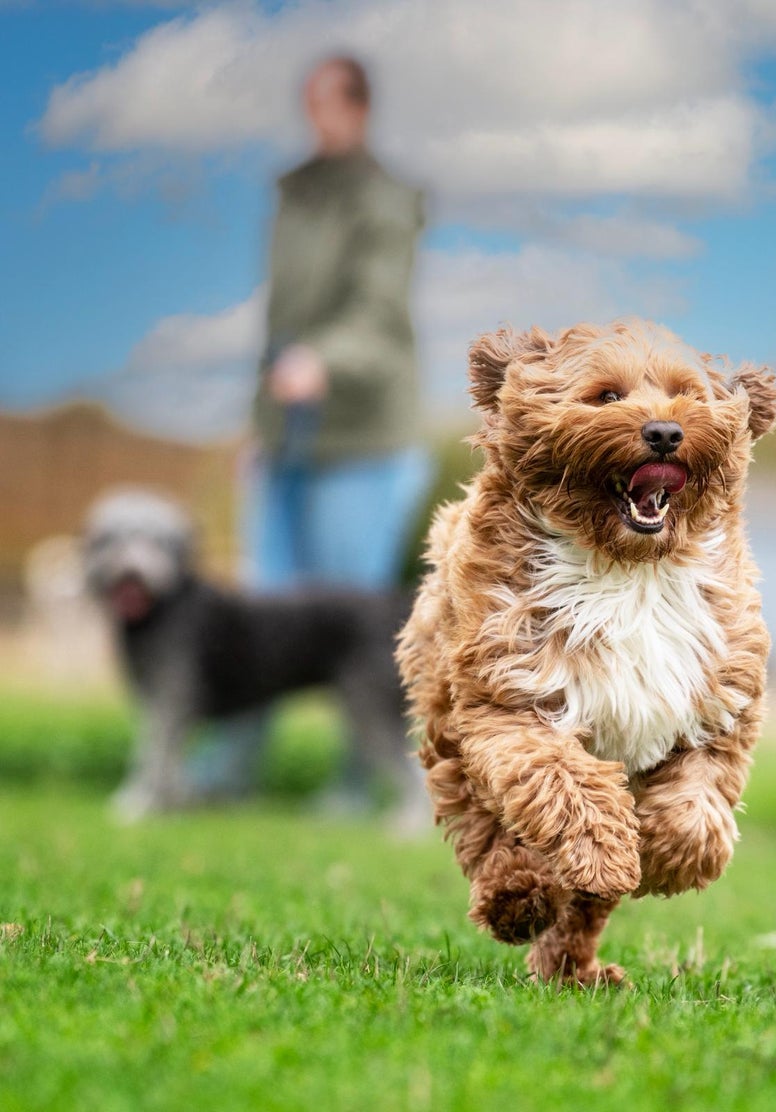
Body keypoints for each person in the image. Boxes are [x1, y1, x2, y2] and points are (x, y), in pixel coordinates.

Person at [188, 55, 431, 804]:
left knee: (352, 626)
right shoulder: (295, 195)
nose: (314, 118)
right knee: (258, 617)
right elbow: (281, 325)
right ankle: (231, 767)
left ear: (357, 109)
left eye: (326, 105)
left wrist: (325, 359)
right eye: (308, 105)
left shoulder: (384, 201)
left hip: (364, 441)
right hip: (290, 434)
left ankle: (365, 780)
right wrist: (261, 429)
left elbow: (379, 316)